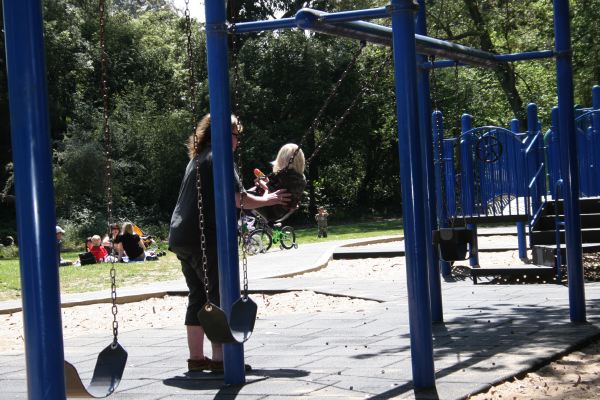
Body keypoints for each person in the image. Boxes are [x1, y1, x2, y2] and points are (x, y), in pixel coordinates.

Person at [169, 113, 291, 373]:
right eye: (235, 135)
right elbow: (237, 200)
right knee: (218, 295)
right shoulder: (220, 157)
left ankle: (195, 358)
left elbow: (229, 195)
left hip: (182, 235)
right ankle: (221, 359)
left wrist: (257, 194)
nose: (237, 141)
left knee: (198, 296)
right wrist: (270, 199)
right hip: (204, 236)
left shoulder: (199, 158)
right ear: (223, 134)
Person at [252, 143, 307, 222]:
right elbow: (279, 190)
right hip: (282, 213)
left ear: (281, 160)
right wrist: (267, 183)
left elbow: (272, 193)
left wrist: (262, 184)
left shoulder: (284, 176)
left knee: (243, 196)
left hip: (271, 211)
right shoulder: (301, 178)